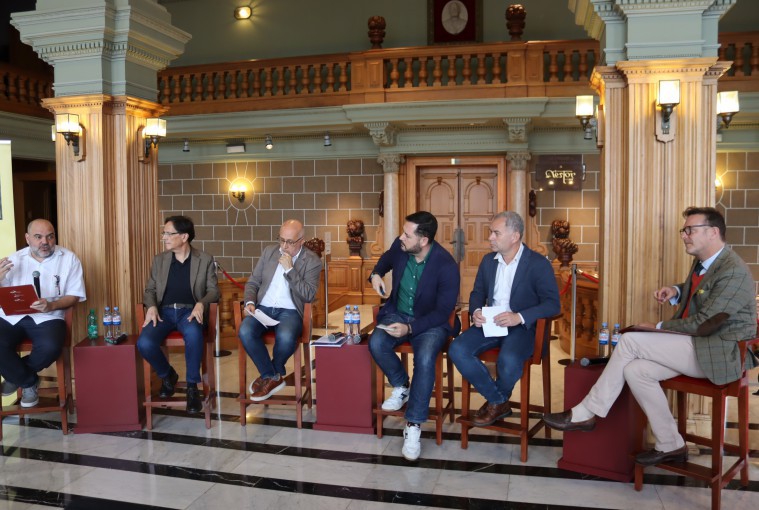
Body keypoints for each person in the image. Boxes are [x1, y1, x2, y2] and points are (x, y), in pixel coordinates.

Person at [544, 207, 757, 466]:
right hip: (698, 345)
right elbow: (702, 293)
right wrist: (676, 291)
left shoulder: (733, 270)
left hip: (719, 353)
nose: (684, 236)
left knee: (631, 340)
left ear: (713, 232)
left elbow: (705, 324)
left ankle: (586, 412)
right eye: (684, 230)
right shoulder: (705, 262)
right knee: (636, 370)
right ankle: (671, 444)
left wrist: (656, 326)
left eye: (690, 230)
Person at [449, 211, 560, 426]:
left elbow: (552, 304)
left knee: (508, 360)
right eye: (491, 232)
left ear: (514, 236)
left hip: (523, 328)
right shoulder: (488, 261)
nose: (490, 237)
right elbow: (476, 293)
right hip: (490, 323)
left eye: (495, 233)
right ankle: (498, 401)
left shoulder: (538, 264)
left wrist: (519, 317)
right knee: (457, 349)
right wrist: (475, 311)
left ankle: (495, 403)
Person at [369, 211, 460, 461]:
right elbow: (384, 261)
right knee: (376, 342)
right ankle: (401, 385)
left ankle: (414, 424)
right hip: (397, 312)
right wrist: (375, 274)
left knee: (425, 357)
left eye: (407, 234)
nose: (401, 237)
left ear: (424, 240)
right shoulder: (400, 248)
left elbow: (443, 311)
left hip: (430, 322)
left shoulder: (446, 265)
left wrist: (410, 329)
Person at [137, 215, 219, 414]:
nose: (164, 237)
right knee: (144, 343)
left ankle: (192, 388)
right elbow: (150, 291)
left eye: (168, 233)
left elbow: (214, 290)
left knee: (193, 335)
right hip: (163, 312)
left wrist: (201, 303)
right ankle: (168, 375)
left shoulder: (204, 259)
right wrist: (152, 307)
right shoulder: (160, 260)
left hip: (189, 312)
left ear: (184, 237)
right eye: (164, 233)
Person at [0, 219, 86, 408]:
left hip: (48, 317)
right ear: (28, 238)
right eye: (38, 237)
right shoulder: (13, 259)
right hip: (12, 317)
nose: (44, 242)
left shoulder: (69, 259)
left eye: (50, 236)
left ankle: (16, 376)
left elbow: (74, 296)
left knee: (50, 347)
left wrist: (52, 305)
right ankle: (29, 381)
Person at [238, 219, 321, 402]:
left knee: (285, 337)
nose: (284, 246)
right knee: (245, 330)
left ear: (301, 240)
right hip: (263, 308)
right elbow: (253, 282)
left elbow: (308, 295)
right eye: (281, 240)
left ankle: (270, 376)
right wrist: (250, 301)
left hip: (290, 311)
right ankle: (272, 376)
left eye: (290, 242)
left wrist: (290, 269)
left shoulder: (312, 261)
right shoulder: (269, 252)